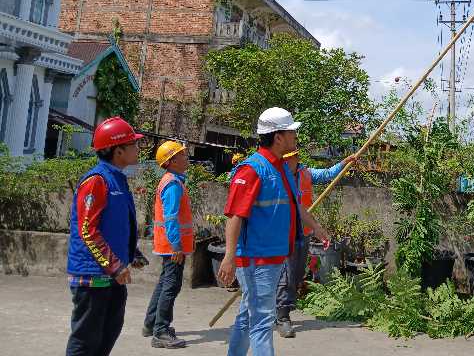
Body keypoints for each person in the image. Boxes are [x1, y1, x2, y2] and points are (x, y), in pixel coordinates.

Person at [217, 107, 330, 356]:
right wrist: (229, 257)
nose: (295, 136)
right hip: (257, 259)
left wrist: (318, 229)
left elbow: (296, 206)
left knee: (249, 316)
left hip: (274, 256)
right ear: (278, 136)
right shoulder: (252, 170)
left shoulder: (282, 169)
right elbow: (235, 216)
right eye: (291, 132)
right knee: (262, 321)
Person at [66, 116, 147, 356]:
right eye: (133, 144)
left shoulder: (117, 179)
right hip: (93, 277)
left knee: (106, 337)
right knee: (85, 342)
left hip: (111, 276)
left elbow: (117, 226)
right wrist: (115, 265)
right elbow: (87, 231)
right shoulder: (97, 181)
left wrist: (132, 253)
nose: (137, 148)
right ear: (118, 150)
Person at [275, 149, 358, 338]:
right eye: (284, 158)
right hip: (283, 233)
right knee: (285, 276)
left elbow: (328, 174)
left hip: (302, 232)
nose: (287, 161)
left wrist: (345, 162)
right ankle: (282, 317)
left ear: (296, 158)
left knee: (296, 275)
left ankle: (280, 308)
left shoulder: (306, 174)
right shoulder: (277, 176)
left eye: (290, 158)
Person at [143, 140, 194, 349]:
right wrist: (176, 246)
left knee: (165, 283)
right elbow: (171, 218)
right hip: (172, 246)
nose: (186, 157)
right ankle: (161, 332)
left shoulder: (171, 180)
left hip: (168, 244)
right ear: (172, 161)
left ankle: (151, 324)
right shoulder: (172, 184)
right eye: (182, 154)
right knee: (171, 286)